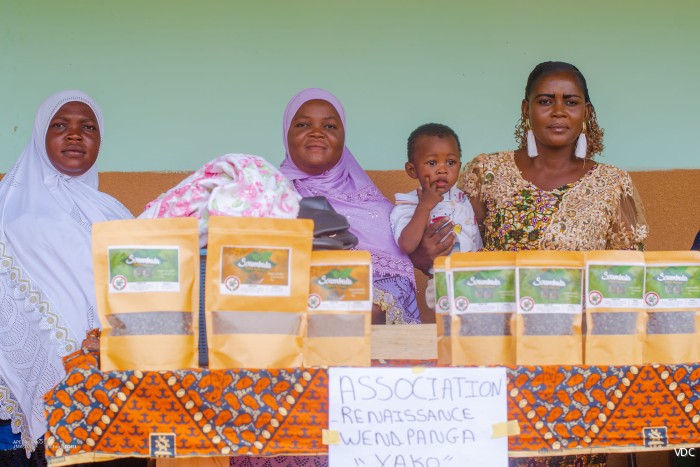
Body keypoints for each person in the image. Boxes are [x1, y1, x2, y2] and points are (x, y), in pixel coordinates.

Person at [459, 61, 648, 467]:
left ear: (587, 112)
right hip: (497, 349)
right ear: (526, 109)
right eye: (546, 101)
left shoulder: (612, 183)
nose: (558, 111)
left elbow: (627, 276)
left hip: (579, 358)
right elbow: (457, 257)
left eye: (571, 101)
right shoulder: (484, 172)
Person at [0, 90, 132, 462]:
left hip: (104, 386)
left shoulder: (115, 214)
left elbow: (137, 295)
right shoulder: (8, 210)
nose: (75, 135)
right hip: (28, 389)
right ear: (40, 135)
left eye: (87, 127)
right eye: (60, 125)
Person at [279, 88, 420, 325]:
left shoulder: (378, 210)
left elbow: (396, 286)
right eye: (303, 125)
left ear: (343, 138)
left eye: (330, 126)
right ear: (286, 133)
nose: (316, 133)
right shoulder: (270, 197)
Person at [390, 123, 481, 308]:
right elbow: (407, 245)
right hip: (443, 283)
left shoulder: (462, 198)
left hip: (475, 278)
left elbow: (474, 235)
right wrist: (424, 206)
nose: (442, 170)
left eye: (450, 162)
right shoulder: (409, 204)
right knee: (451, 330)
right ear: (412, 170)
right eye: (432, 163)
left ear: (459, 166)